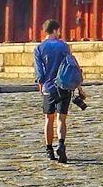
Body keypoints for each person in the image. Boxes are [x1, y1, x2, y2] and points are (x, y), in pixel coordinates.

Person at [32, 18, 84, 164]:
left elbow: (39, 71)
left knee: (48, 119)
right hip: (64, 86)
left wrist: (40, 84)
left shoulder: (39, 49)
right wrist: (79, 87)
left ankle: (49, 149)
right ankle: (61, 144)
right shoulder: (63, 46)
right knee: (61, 119)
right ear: (55, 30)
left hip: (49, 87)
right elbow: (72, 66)